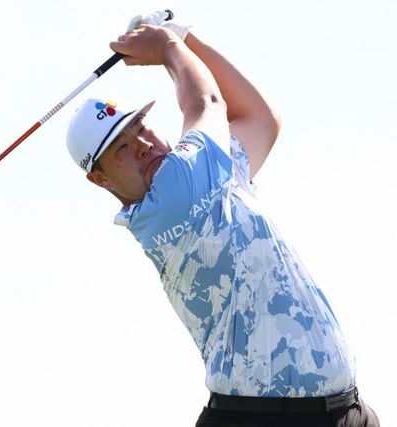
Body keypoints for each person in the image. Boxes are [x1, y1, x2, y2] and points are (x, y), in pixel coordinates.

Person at [65, 12, 380, 427]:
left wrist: (184, 37)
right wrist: (167, 48)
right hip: (257, 419)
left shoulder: (210, 177)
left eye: (141, 126)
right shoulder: (174, 196)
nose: (142, 144)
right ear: (100, 178)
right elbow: (208, 103)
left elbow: (260, 118)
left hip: (346, 411)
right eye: (120, 147)